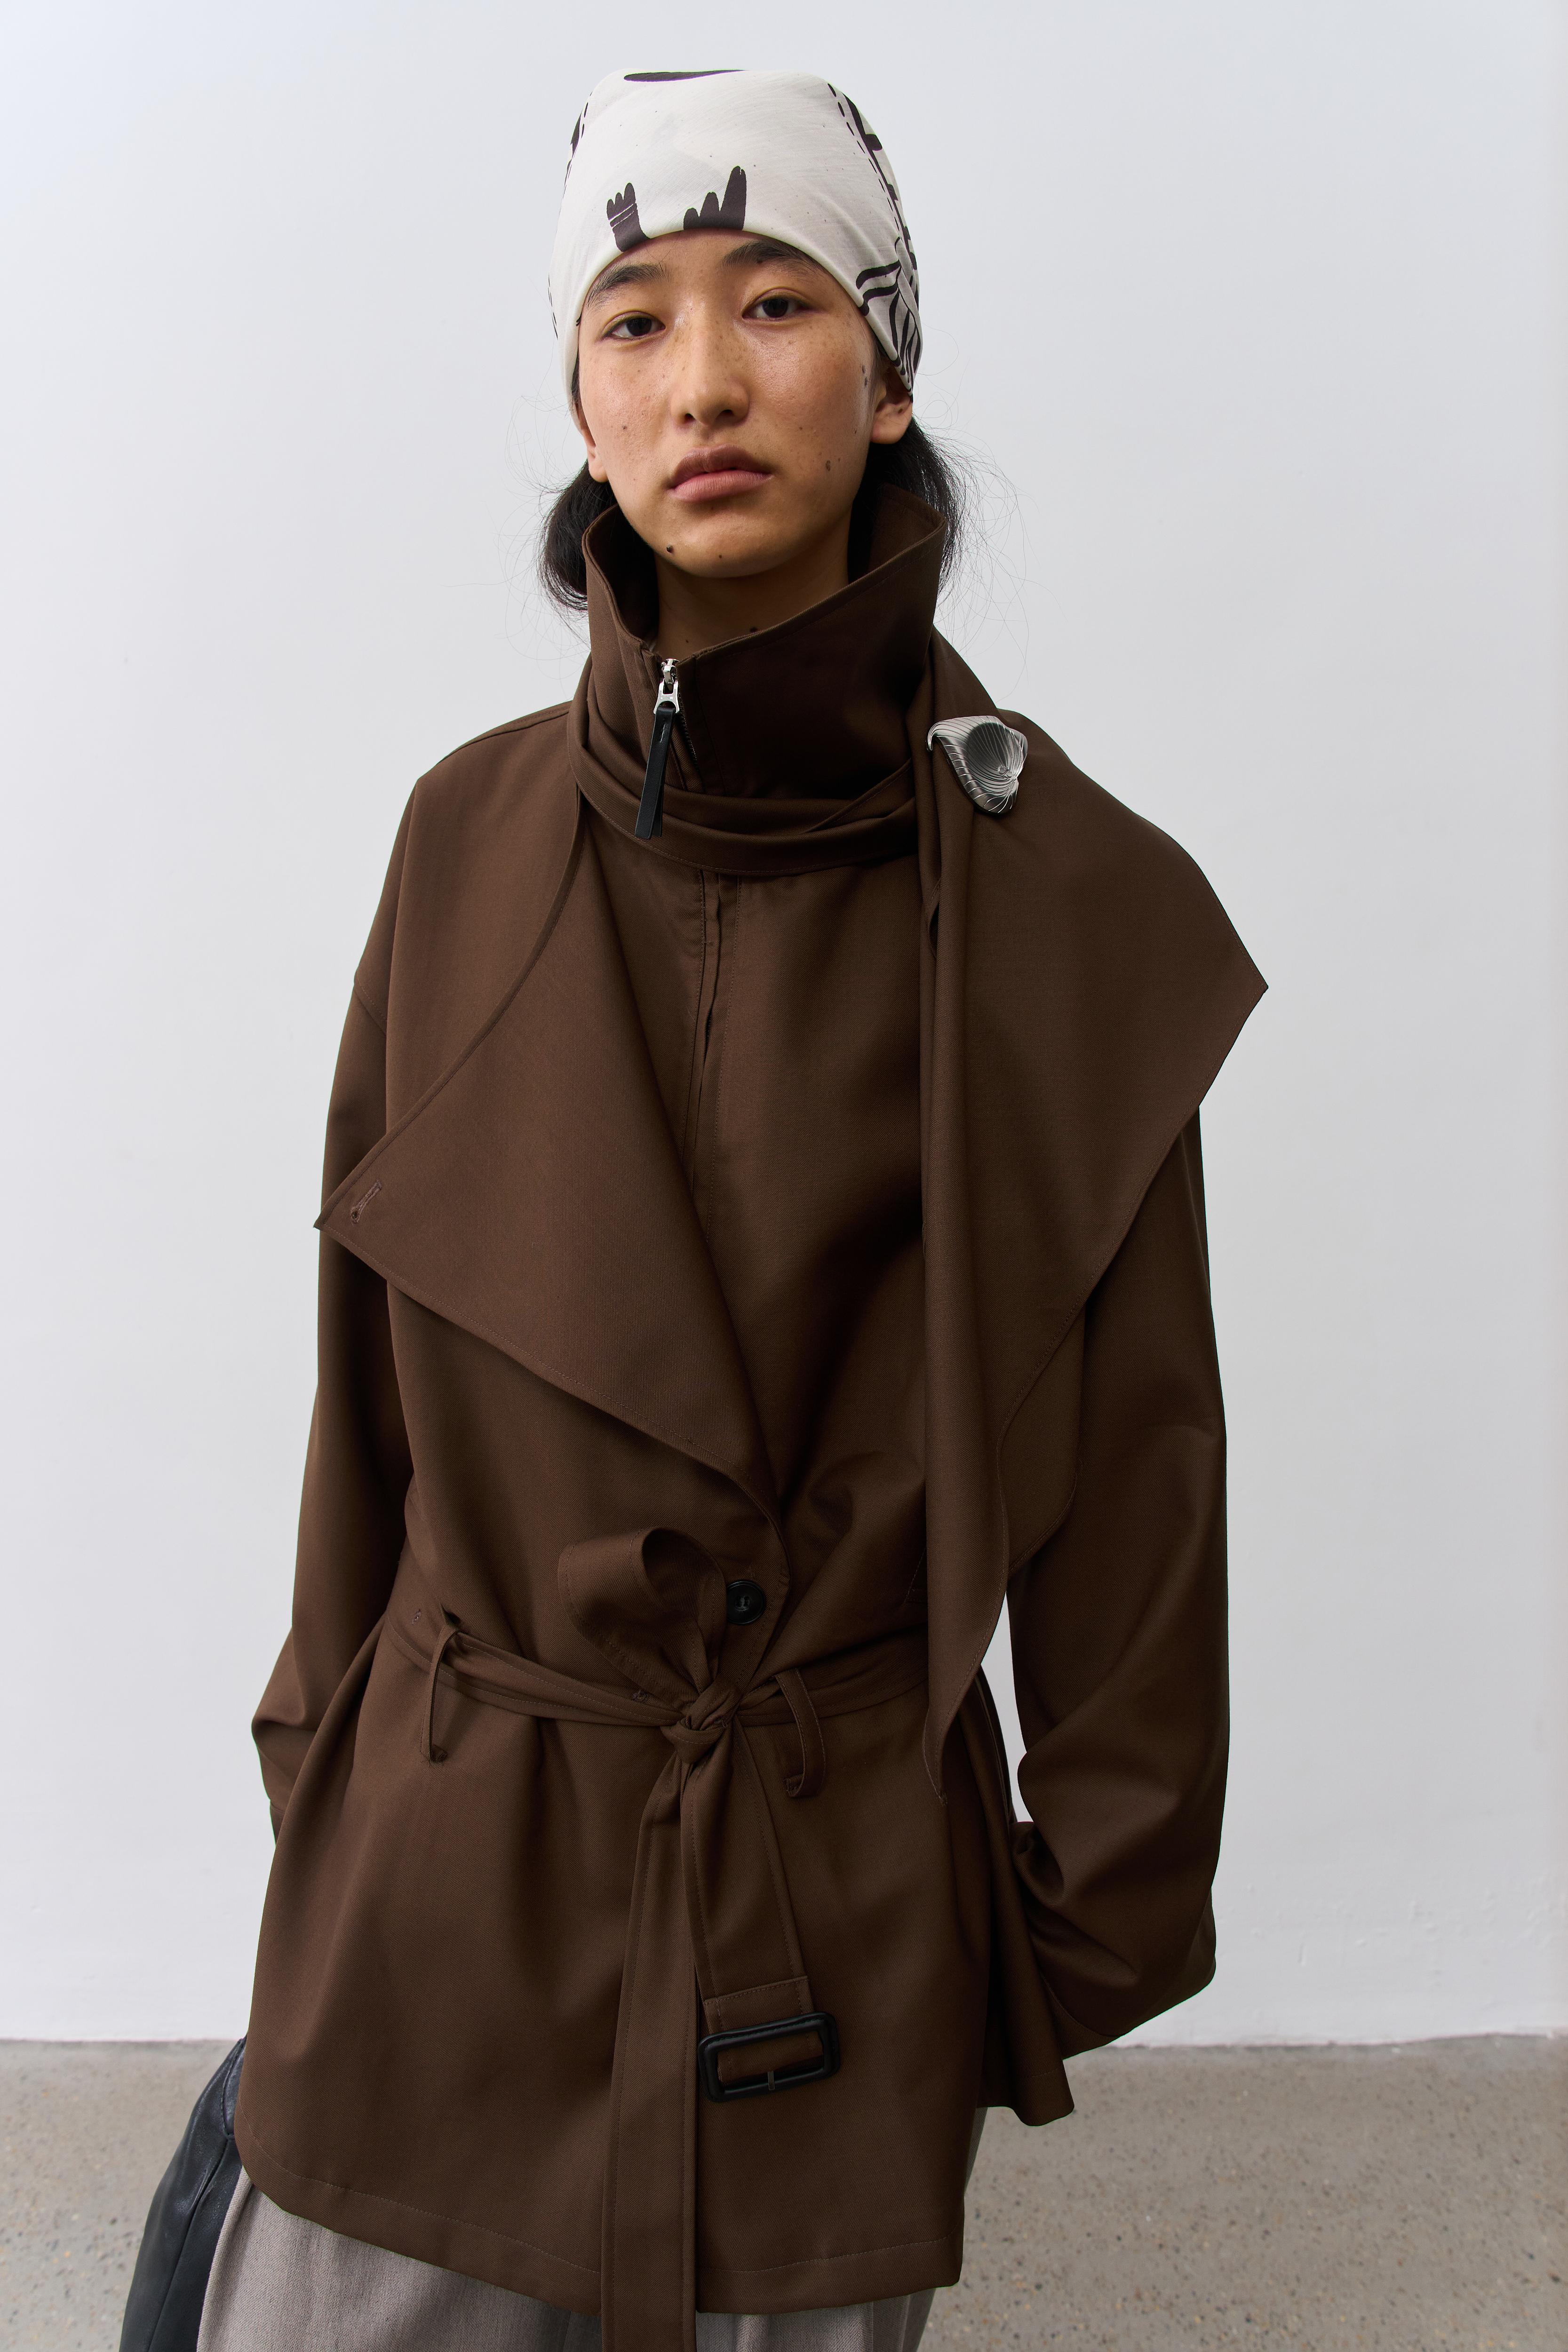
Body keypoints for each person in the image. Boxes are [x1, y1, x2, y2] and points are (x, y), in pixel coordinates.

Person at [196, 66, 1264, 2352]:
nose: (702, 379)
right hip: (448, 1886)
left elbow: (1139, 1468)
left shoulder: (1070, 905)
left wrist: (1076, 1910)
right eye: (635, 318)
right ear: (583, 407)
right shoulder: (463, 839)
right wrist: (329, 1785)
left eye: (777, 299)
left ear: (888, 375)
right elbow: (363, 1394)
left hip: (823, 1905)